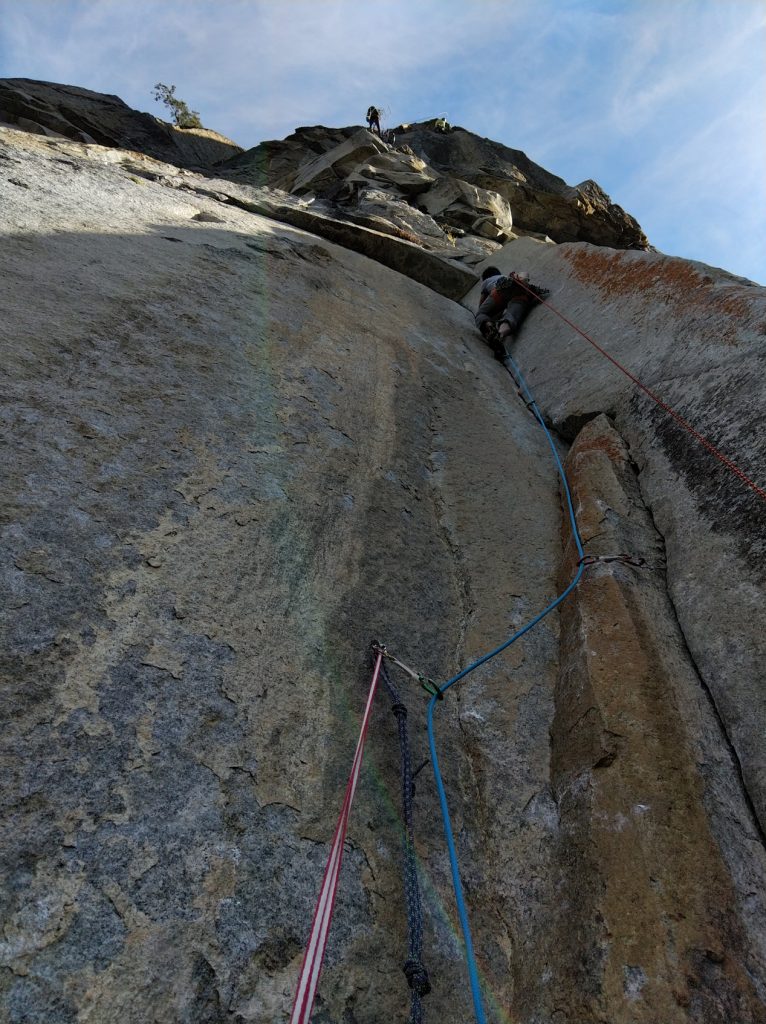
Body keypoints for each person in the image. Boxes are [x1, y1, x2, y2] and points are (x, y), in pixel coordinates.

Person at [475, 265, 548, 361]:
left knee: (481, 314)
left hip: (500, 291)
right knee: (510, 317)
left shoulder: (487, 281)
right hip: (521, 292)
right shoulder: (506, 277)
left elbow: (481, 306)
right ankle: (500, 334)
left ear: (486, 277)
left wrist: (487, 318)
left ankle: (490, 328)